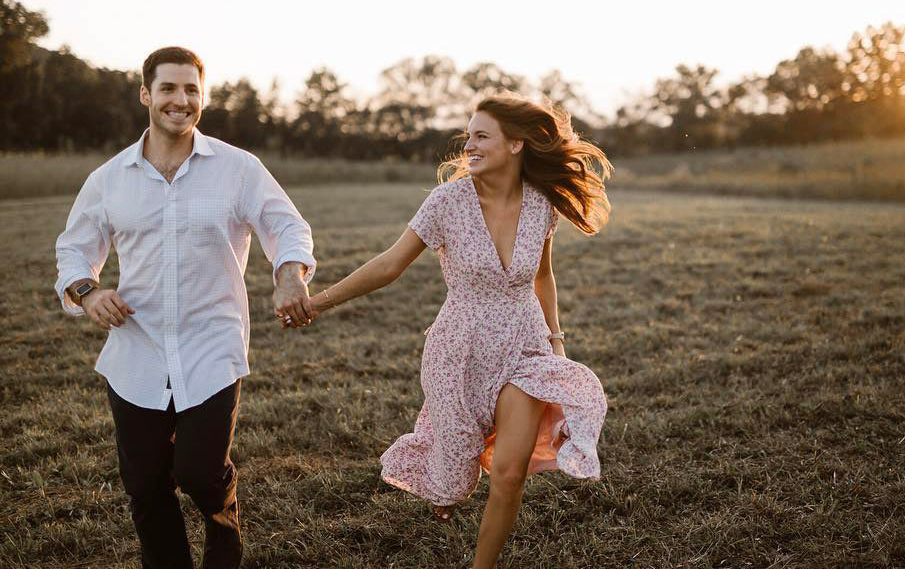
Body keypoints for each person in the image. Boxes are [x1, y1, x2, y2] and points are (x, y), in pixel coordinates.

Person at [309, 93, 611, 568]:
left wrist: (556, 343)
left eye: (481, 136)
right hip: (459, 348)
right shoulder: (446, 203)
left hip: (523, 346)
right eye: (467, 135)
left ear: (515, 145)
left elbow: (542, 276)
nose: (468, 144)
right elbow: (390, 265)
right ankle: (446, 485)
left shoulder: (542, 205)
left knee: (509, 474)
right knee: (455, 464)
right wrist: (317, 303)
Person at [54, 46, 317, 569]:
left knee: (200, 472)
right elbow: (74, 250)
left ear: (203, 96)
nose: (181, 100)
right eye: (169, 88)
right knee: (146, 485)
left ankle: (225, 536)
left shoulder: (239, 169)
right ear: (146, 94)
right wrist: (89, 292)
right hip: (137, 351)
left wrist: (289, 276)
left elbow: (287, 227)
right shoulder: (109, 179)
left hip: (211, 346)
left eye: (191, 89)